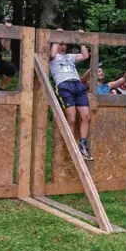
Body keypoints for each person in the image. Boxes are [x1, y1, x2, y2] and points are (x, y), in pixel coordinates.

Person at [49, 28, 93, 161]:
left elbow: (85, 56)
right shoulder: (52, 57)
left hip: (78, 85)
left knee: (86, 117)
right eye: (60, 44)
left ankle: (82, 146)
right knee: (72, 118)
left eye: (64, 44)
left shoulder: (70, 57)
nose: (62, 46)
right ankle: (70, 145)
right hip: (64, 86)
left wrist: (80, 39)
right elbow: (52, 53)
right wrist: (57, 37)